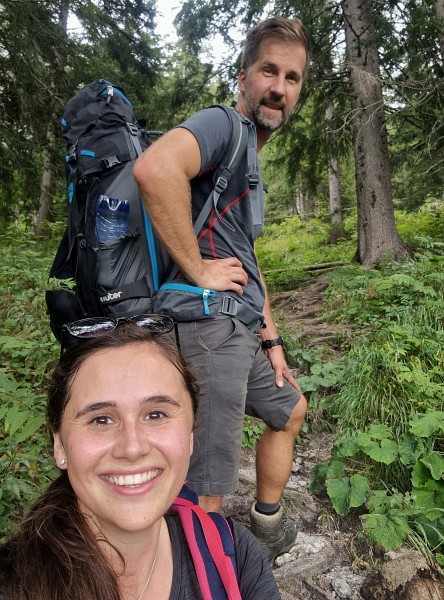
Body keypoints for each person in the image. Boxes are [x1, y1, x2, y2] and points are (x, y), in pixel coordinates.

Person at [133, 16, 310, 564]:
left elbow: (246, 258)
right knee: (206, 483)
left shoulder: (248, 158)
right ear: (243, 78)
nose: (279, 87)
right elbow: (155, 168)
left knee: (289, 409)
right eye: (268, 71)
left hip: (239, 328)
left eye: (292, 77)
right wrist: (199, 269)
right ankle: (189, 576)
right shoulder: (222, 125)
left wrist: (271, 339)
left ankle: (266, 525)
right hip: (209, 328)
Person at [0, 318, 281, 600]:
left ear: (190, 435)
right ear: (59, 445)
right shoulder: (14, 583)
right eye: (100, 420)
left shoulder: (234, 556)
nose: (132, 448)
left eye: (156, 414)